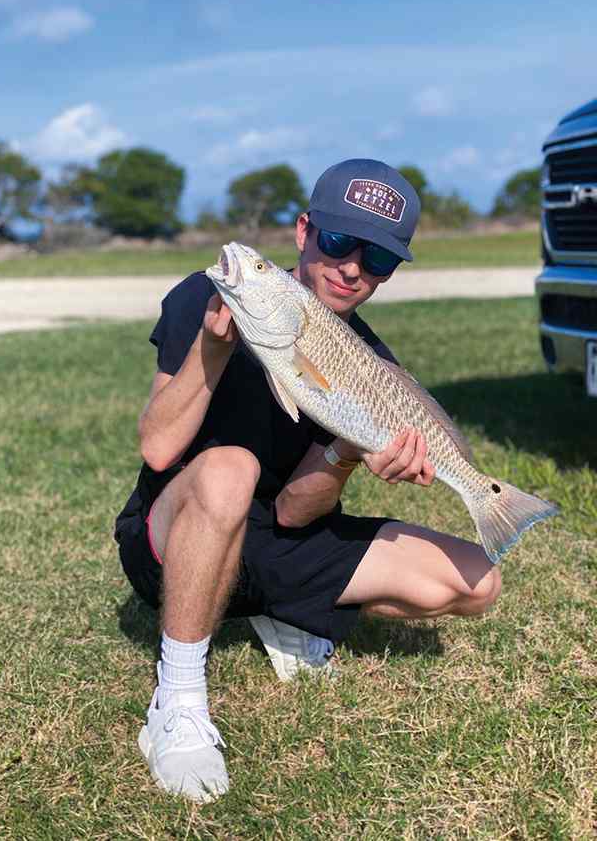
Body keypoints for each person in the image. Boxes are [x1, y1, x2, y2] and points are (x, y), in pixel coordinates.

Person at [114, 158, 502, 803]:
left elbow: (297, 512)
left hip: (277, 537)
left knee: (475, 582)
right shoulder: (205, 298)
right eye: (340, 241)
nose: (352, 268)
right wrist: (213, 349)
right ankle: (177, 701)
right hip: (175, 536)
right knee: (231, 468)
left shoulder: (372, 362)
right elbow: (158, 449)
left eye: (378, 258)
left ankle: (284, 618)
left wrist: (349, 448)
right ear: (303, 232)